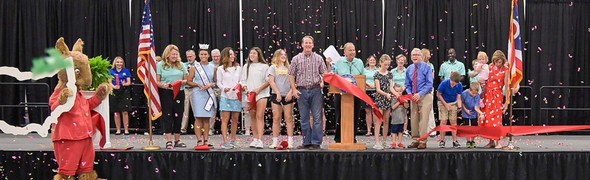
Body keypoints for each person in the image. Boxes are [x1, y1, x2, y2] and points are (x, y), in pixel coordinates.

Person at [289, 35, 327, 150]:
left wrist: (322, 81)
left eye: (310, 43)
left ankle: (316, 142)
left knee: (317, 117)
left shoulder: (319, 58)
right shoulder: (296, 58)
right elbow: (291, 74)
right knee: (304, 118)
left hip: (315, 90)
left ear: (313, 45)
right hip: (301, 90)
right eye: (306, 42)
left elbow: (324, 73)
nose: (308, 45)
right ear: (302, 45)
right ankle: (306, 142)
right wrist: (294, 89)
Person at [326, 42, 364, 143]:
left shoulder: (359, 62)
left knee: (355, 116)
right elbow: (332, 75)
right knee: (340, 116)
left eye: (353, 50)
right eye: (350, 50)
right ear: (345, 52)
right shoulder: (339, 62)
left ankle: (352, 137)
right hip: (341, 94)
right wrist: (328, 64)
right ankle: (338, 138)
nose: (352, 52)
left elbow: (362, 77)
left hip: (356, 94)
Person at [157, 44, 189, 149]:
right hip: (166, 92)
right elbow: (157, 81)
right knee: (167, 116)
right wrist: (163, 85)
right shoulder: (160, 65)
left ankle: (177, 140)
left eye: (176, 54)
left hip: (179, 92)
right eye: (173, 54)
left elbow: (186, 80)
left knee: (178, 116)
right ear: (167, 54)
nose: (175, 56)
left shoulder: (181, 65)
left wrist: (180, 82)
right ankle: (169, 140)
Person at [241, 47, 270, 149]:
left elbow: (268, 81)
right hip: (250, 94)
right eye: (251, 53)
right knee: (252, 116)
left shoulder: (265, 66)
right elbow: (243, 80)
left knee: (259, 115)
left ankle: (260, 139)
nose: (252, 55)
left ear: (258, 55)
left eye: (254, 53)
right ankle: (255, 138)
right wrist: (245, 88)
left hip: (261, 94)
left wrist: (259, 89)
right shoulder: (246, 66)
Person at [187, 48, 216, 147]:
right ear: (198, 56)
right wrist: (198, 85)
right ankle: (199, 140)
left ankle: (206, 140)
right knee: (198, 117)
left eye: (205, 54)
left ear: (208, 55)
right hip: (198, 93)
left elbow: (216, 82)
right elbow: (189, 81)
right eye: (201, 54)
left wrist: (210, 84)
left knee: (207, 118)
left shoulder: (213, 67)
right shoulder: (194, 67)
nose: (203, 56)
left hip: (209, 94)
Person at [405, 48, 434, 149]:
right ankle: (415, 140)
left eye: (417, 55)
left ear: (421, 56)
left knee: (424, 119)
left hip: (425, 95)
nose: (415, 57)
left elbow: (430, 84)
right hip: (414, 97)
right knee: (414, 119)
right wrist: (410, 94)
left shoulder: (427, 67)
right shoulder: (409, 69)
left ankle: (423, 140)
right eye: (413, 55)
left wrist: (420, 94)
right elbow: (407, 84)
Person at [482, 50, 510, 148]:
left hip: (498, 95)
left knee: (497, 119)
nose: (498, 64)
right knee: (488, 118)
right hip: (488, 95)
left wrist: (506, 102)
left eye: (500, 62)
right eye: (497, 62)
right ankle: (491, 141)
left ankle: (498, 142)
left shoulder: (505, 69)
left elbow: (507, 86)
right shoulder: (489, 67)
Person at [268, 49, 295, 149]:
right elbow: (271, 81)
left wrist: (290, 92)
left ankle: (290, 141)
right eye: (281, 54)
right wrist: (278, 93)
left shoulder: (289, 67)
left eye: (285, 54)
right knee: (276, 118)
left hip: (287, 95)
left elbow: (293, 81)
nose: (283, 56)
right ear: (276, 56)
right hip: (276, 95)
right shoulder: (272, 67)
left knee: (288, 118)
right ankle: (275, 141)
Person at [216, 47, 242, 149]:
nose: (232, 56)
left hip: (236, 96)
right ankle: (225, 141)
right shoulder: (220, 69)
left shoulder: (238, 68)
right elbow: (219, 82)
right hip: (226, 96)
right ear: (225, 56)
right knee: (225, 119)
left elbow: (241, 80)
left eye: (233, 54)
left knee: (235, 119)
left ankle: (233, 139)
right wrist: (223, 88)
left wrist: (239, 86)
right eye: (230, 54)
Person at [372, 54, 394, 150]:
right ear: (380, 63)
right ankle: (377, 142)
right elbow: (378, 89)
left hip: (388, 99)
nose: (386, 66)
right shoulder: (377, 74)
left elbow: (391, 88)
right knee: (378, 121)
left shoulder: (390, 74)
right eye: (385, 64)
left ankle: (384, 141)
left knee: (386, 121)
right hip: (380, 99)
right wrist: (386, 94)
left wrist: (397, 95)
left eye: (388, 65)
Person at [436, 72, 463, 148]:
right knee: (444, 120)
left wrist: (459, 106)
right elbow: (438, 94)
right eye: (453, 83)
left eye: (456, 84)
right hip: (442, 102)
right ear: (450, 79)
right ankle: (442, 140)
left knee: (453, 121)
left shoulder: (459, 85)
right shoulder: (444, 83)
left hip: (453, 103)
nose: (454, 85)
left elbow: (458, 96)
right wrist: (445, 104)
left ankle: (455, 141)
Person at [109, 56, 132, 135]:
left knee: (125, 111)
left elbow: (129, 82)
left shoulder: (126, 71)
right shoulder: (111, 71)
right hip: (115, 91)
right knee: (116, 112)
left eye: (121, 62)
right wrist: (114, 86)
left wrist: (124, 84)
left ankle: (126, 130)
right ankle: (118, 129)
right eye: (118, 62)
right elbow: (109, 82)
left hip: (124, 91)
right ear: (115, 63)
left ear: (123, 63)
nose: (119, 64)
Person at [461, 82, 483, 148]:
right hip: (466, 111)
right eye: (473, 93)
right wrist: (466, 110)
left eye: (475, 94)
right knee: (467, 127)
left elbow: (476, 107)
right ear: (469, 90)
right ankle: (468, 141)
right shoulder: (464, 93)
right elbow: (462, 102)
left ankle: (472, 141)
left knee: (474, 127)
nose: (474, 95)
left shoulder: (477, 96)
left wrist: (481, 113)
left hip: (474, 112)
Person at [391, 54, 408, 135]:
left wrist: (402, 90)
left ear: (404, 61)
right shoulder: (392, 71)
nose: (401, 61)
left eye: (402, 60)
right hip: (394, 92)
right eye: (399, 60)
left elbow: (408, 82)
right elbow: (391, 82)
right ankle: (394, 130)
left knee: (404, 110)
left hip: (404, 92)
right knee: (395, 110)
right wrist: (396, 91)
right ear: (396, 61)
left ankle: (404, 130)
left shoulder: (407, 71)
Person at [422, 48, 437, 138]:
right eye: (428, 54)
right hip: (420, 89)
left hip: (428, 88)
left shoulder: (430, 65)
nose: (430, 56)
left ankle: (431, 130)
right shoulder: (419, 65)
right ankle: (423, 129)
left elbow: (432, 78)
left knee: (429, 108)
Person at [181, 49, 197, 134]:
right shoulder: (183, 65)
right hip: (186, 89)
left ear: (195, 56)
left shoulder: (198, 65)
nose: (189, 58)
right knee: (185, 110)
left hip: (195, 89)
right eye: (188, 57)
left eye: (191, 56)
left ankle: (199, 128)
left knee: (197, 110)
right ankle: (183, 129)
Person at [363, 55, 378, 136]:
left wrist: (375, 85)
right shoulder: (364, 70)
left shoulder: (378, 70)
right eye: (371, 60)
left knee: (375, 111)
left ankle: (376, 129)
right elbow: (362, 79)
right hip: (367, 91)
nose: (372, 61)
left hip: (376, 91)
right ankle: (369, 130)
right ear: (368, 62)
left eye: (373, 60)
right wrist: (368, 85)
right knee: (368, 111)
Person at [390, 83, 408, 149]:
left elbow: (407, 106)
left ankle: (400, 142)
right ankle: (394, 142)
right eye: (397, 91)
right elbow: (393, 107)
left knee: (401, 131)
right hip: (395, 119)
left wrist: (404, 102)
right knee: (394, 131)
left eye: (400, 91)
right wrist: (399, 102)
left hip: (402, 119)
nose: (399, 93)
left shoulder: (404, 98)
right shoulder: (394, 99)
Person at [209, 48, 222, 135]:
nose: (216, 58)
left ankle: (223, 128)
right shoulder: (209, 65)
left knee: (223, 110)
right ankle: (210, 129)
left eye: (217, 56)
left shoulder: (223, 65)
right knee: (212, 109)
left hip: (222, 89)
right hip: (212, 89)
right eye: (214, 56)